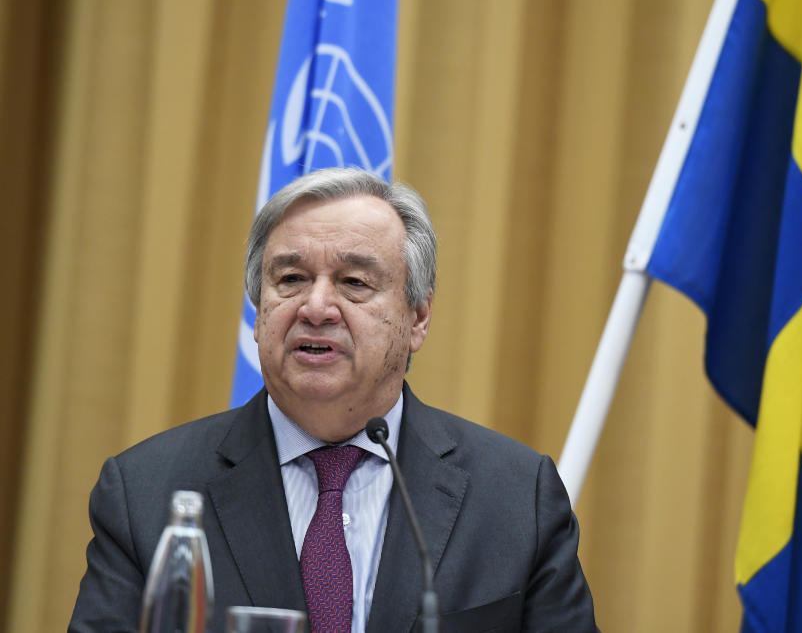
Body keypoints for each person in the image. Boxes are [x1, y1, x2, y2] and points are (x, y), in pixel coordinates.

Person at [70, 168, 597, 632]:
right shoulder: (145, 494)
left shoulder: (515, 499)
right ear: (258, 311)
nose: (316, 306)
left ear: (418, 317)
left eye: (354, 283)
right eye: (291, 279)